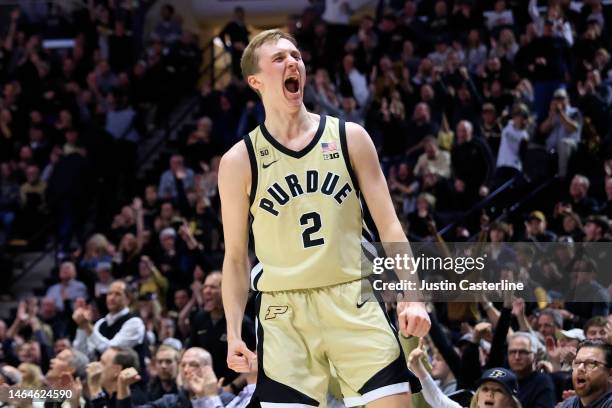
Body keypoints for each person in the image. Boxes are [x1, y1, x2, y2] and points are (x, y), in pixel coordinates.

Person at [219, 29, 430, 407]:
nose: (292, 63)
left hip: (353, 296)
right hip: (284, 314)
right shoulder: (239, 161)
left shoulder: (350, 137)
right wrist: (234, 333)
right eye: (279, 58)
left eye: (296, 55)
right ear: (255, 80)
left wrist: (412, 294)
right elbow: (235, 257)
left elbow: (390, 225)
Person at [560, 340, 612, 407]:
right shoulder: (567, 404)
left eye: (591, 364)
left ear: (610, 374)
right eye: (577, 363)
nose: (580, 368)